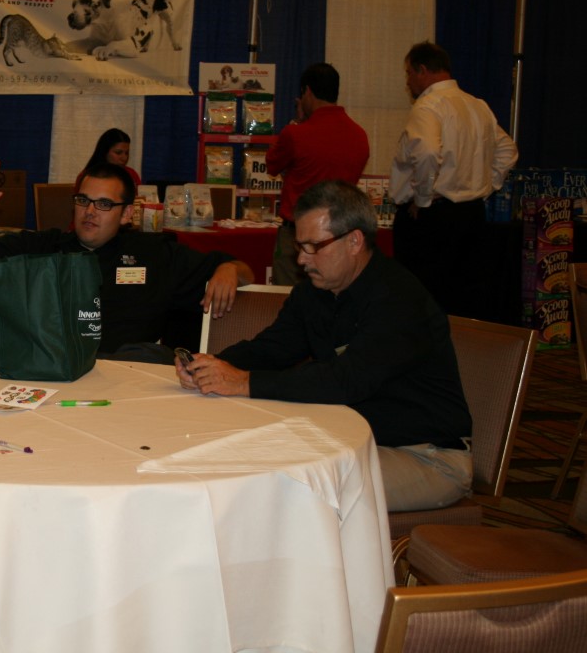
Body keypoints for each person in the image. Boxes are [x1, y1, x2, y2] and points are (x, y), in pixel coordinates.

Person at [177, 180, 472, 512]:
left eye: (313, 246)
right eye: (299, 246)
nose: (302, 259)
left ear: (354, 241)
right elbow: (273, 349)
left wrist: (242, 381)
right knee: (243, 458)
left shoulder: (399, 299)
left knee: (293, 489)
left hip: (425, 456)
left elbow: (346, 381)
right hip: (347, 442)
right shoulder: (314, 292)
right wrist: (209, 364)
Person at [0, 154, 253, 359]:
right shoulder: (44, 248)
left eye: (104, 204)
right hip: (55, 376)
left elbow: (245, 272)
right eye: (83, 200)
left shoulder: (155, 253)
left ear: (127, 214)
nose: (90, 211)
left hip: (130, 382)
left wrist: (229, 269)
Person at [390, 41, 518, 319]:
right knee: (463, 298)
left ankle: (422, 347)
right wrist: (485, 187)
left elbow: (426, 152)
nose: (407, 81)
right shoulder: (477, 105)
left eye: (409, 73)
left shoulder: (428, 105)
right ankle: (460, 347)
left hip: (431, 218)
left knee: (419, 299)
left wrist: (422, 199)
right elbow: (508, 151)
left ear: (422, 70)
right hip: (472, 215)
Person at [266, 63, 369, 285]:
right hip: (340, 236)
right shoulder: (360, 136)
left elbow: (272, 164)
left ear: (308, 92)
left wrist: (298, 122)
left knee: (288, 296)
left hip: (298, 236)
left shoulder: (296, 134)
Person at [76, 128, 141, 190]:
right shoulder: (88, 177)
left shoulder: (131, 174)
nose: (124, 158)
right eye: (118, 153)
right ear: (104, 152)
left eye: (127, 153)